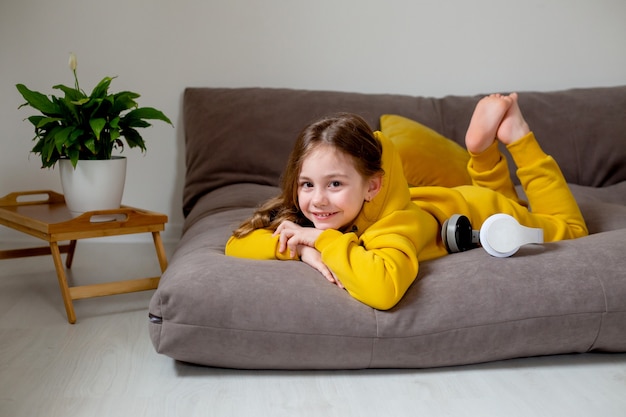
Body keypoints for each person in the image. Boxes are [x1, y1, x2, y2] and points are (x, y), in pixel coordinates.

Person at [225, 93, 588, 310]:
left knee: (569, 229)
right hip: (449, 202)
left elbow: (383, 290)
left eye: (334, 183)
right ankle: (482, 153)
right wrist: (302, 250)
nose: (317, 200)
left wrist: (323, 241)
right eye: (306, 184)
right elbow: (236, 244)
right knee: (499, 195)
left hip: (486, 212)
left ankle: (516, 136)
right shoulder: (325, 211)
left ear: (372, 186)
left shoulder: (395, 226)